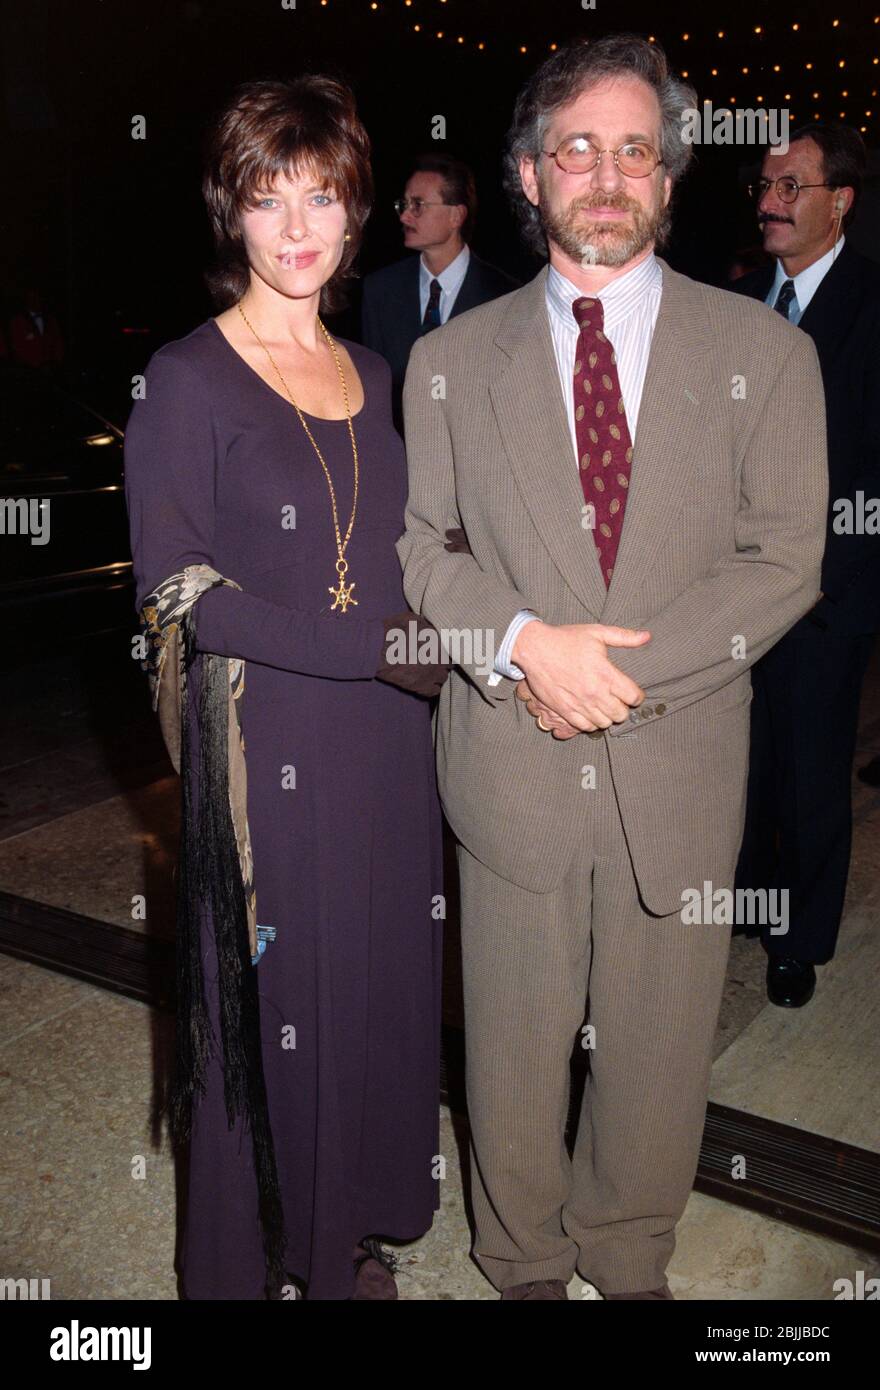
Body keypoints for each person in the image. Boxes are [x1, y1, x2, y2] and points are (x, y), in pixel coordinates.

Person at [397, 34, 827, 1300]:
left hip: (682, 764)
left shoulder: (768, 355)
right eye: (575, 146)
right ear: (526, 175)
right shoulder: (444, 366)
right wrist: (524, 645)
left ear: (669, 176)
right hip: (509, 763)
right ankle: (522, 1257)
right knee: (514, 1045)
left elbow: (788, 560)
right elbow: (422, 550)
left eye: (635, 147)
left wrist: (615, 674)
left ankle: (628, 1248)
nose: (605, 172)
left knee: (654, 1044)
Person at [124, 75, 448, 1301]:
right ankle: (264, 1257)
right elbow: (179, 597)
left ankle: (347, 1230)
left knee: (371, 988)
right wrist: (374, 649)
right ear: (234, 214)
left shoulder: (374, 364)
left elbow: (406, 552)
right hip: (273, 753)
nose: (297, 224)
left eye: (322, 194)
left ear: (356, 210)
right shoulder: (186, 378)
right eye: (269, 198)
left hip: (390, 747)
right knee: (279, 1006)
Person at [732, 123, 880, 1007]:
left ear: (842, 201)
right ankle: (749, 897)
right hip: (735, 588)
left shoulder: (871, 303)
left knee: (815, 769)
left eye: (790, 185)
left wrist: (833, 565)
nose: (768, 201)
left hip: (828, 590)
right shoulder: (739, 299)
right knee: (746, 759)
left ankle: (801, 937)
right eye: (764, 183)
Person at [360, 154, 518, 428]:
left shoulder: (504, 295)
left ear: (456, 215)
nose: (405, 215)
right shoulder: (380, 290)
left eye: (418, 205)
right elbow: (373, 392)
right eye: (404, 204)